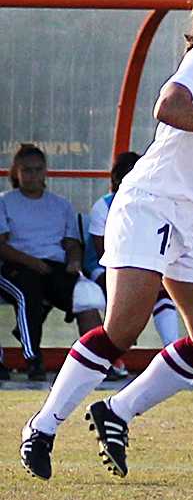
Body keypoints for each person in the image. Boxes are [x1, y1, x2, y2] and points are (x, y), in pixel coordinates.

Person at [18, 0, 193, 481]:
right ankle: (43, 425)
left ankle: (116, 411)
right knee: (123, 325)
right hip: (151, 203)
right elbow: (169, 107)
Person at [0, 144, 103, 382]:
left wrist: (74, 260)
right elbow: (2, 246)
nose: (32, 176)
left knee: (83, 296)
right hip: (16, 265)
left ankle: (96, 361)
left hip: (52, 265)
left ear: (45, 171)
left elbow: (71, 242)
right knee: (29, 293)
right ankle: (33, 359)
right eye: (26, 170)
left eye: (37, 170)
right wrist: (31, 262)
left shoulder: (61, 204)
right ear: (16, 172)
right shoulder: (5, 202)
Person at [84, 151, 180, 376]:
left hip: (144, 265)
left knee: (163, 293)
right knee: (124, 293)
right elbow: (103, 253)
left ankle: (173, 352)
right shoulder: (104, 206)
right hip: (104, 267)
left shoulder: (155, 204)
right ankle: (109, 358)